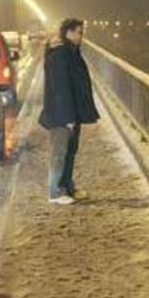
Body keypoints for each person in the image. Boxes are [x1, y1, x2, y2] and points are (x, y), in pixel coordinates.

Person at [38, 18, 99, 204]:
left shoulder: (70, 52)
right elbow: (61, 89)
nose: (82, 36)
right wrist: (68, 117)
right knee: (60, 152)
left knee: (70, 151)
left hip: (72, 113)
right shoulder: (60, 54)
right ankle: (55, 192)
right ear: (69, 32)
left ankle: (67, 187)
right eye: (80, 32)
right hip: (62, 115)